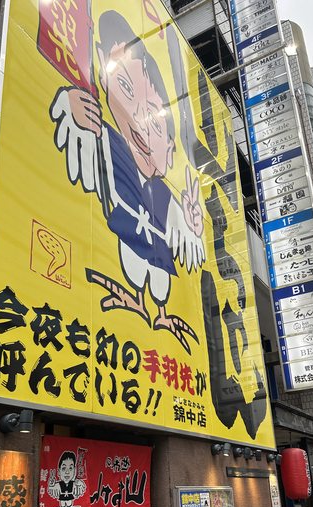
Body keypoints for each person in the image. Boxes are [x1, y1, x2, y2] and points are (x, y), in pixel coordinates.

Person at [50, 11, 205, 353]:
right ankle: (136, 297)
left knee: (159, 273)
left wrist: (194, 228)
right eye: (124, 88)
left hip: (160, 261)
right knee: (134, 257)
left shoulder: (168, 195)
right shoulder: (109, 142)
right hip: (126, 240)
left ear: (170, 148)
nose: (138, 121)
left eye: (154, 120)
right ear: (104, 76)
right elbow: (79, 139)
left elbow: (188, 245)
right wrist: (70, 104)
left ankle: (160, 312)